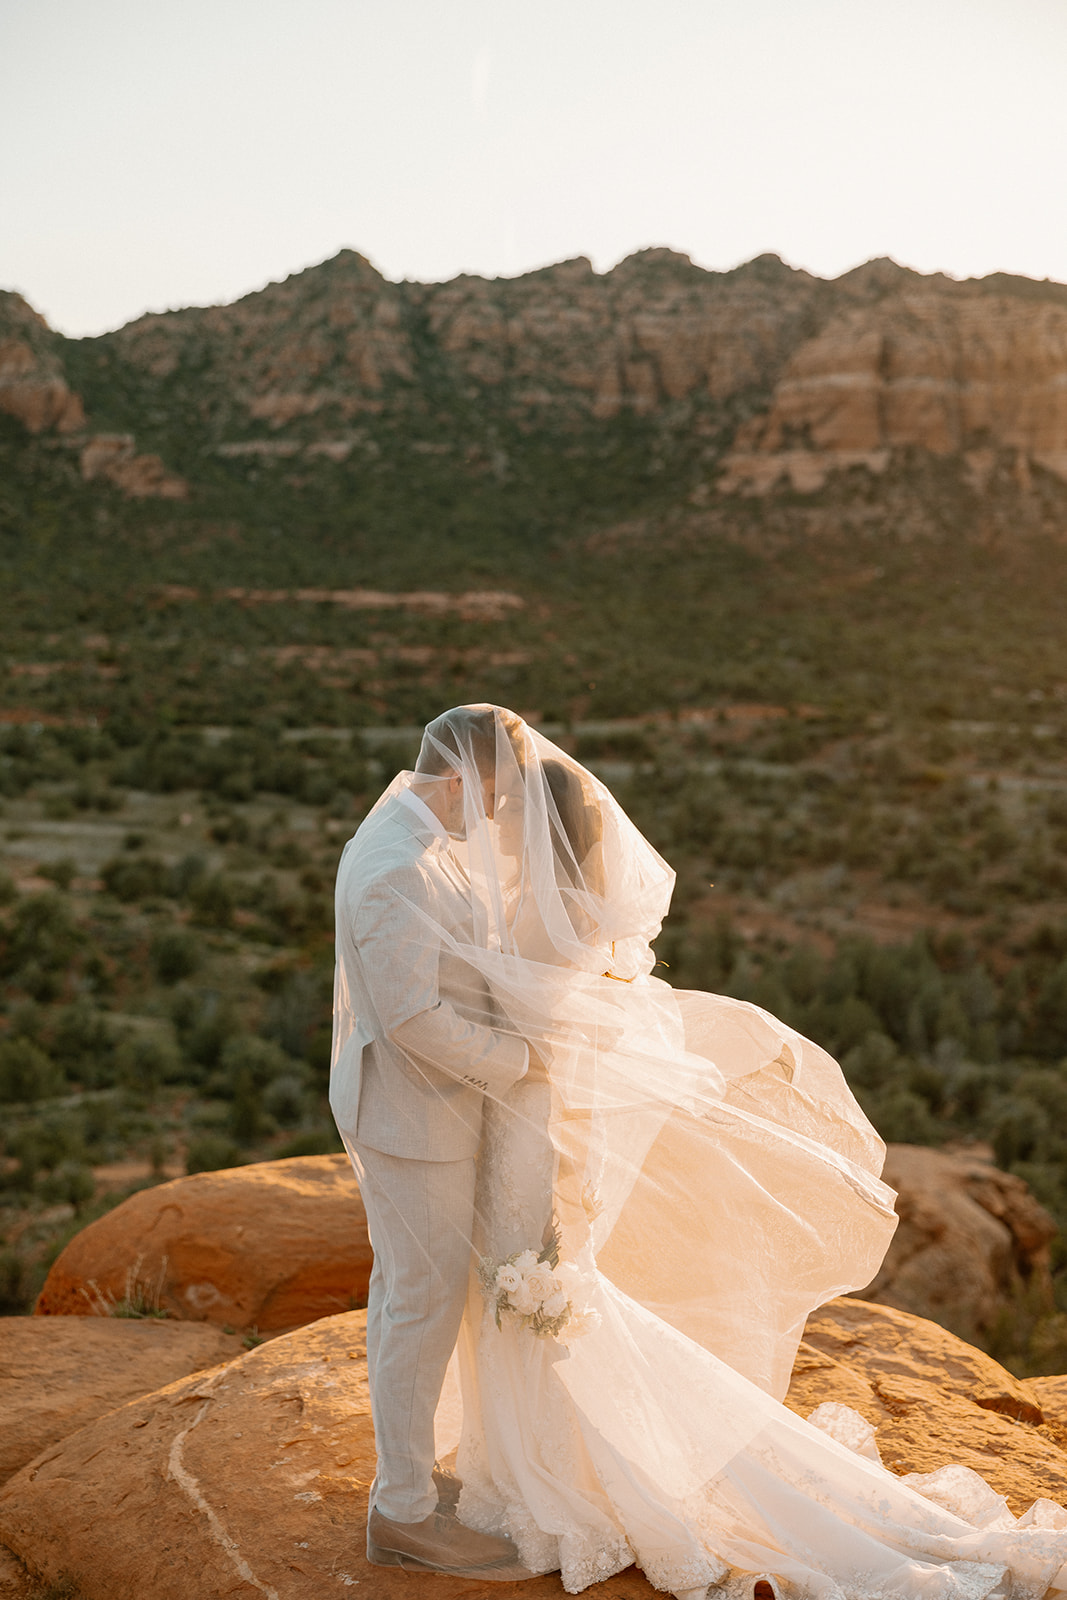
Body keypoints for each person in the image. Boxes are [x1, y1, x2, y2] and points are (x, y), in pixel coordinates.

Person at [334, 705, 1067, 1599]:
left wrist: (526, 1062)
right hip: (425, 1121)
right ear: (459, 777)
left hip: (479, 1119)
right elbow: (412, 1021)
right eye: (490, 800)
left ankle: (442, 1484)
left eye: (508, 808)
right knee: (421, 1304)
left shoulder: (427, 847)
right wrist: (522, 1060)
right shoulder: (395, 868)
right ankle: (404, 1509)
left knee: (463, 1299)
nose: (493, 820)